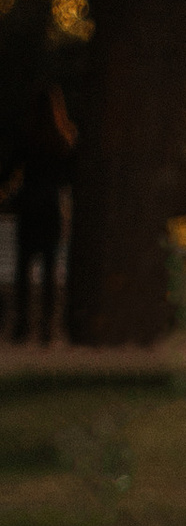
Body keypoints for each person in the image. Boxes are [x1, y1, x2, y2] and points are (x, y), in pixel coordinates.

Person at [6, 85, 76, 348]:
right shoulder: (63, 139)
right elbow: (71, 176)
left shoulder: (27, 137)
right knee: (49, 269)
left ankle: (22, 325)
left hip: (30, 206)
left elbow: (11, 170)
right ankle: (48, 325)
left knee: (23, 268)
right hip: (52, 207)